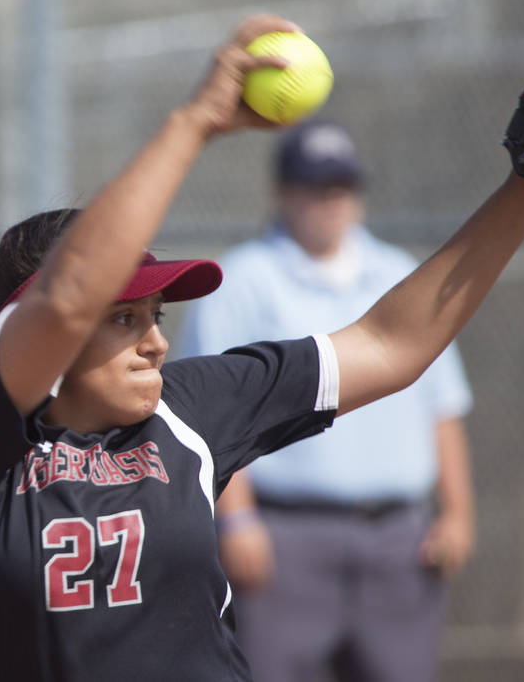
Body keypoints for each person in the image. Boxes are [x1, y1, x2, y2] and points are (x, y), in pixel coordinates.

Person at [0, 13, 524, 682]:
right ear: (43, 335)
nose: (156, 341)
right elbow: (68, 299)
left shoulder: (187, 411)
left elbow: (393, 344)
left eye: (154, 314)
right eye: (126, 318)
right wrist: (195, 122)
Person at [177, 118, 476, 682]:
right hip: (286, 540)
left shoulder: (396, 271)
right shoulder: (243, 279)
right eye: (315, 187)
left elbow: (443, 405)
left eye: (342, 186)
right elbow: (213, 418)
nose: (331, 201)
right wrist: (236, 520)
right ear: (281, 193)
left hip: (399, 540)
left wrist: (457, 513)